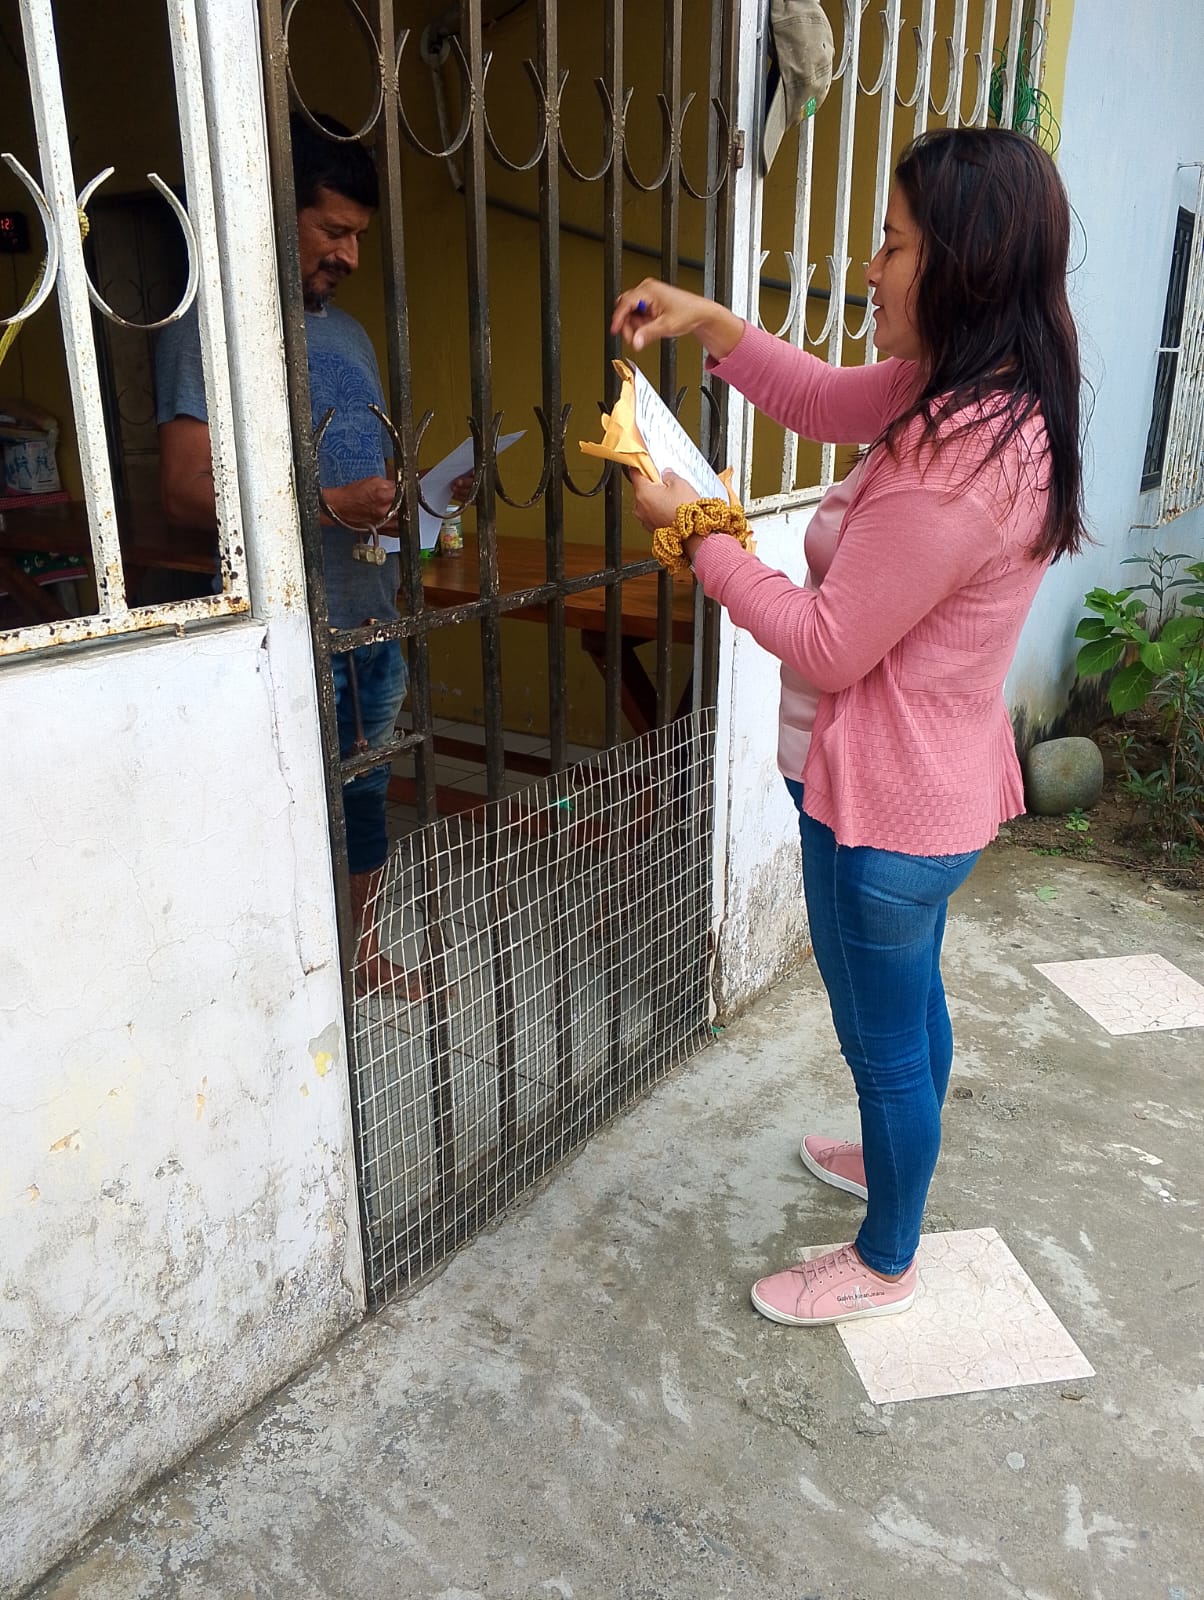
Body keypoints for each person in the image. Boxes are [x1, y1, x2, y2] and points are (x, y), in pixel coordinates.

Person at [612, 127, 1085, 1327]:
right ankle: (891, 1160)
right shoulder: (975, 392)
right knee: (908, 1007)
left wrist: (695, 533)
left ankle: (885, 1256)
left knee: (883, 1043)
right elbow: (824, 399)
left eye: (893, 244)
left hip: (885, 816)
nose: (869, 269)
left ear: (964, 263)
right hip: (916, 791)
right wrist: (711, 324)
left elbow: (825, 642)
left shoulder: (958, 463)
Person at [157, 112, 463, 999]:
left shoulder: (352, 335)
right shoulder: (208, 323)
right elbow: (183, 490)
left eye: (359, 236)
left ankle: (357, 956)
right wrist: (329, 505)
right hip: (277, 626)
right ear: (275, 209)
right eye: (333, 231)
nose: (350, 256)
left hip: (370, 613)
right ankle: (275, 982)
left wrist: (416, 500)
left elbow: (356, 467)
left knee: (366, 798)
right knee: (276, 802)